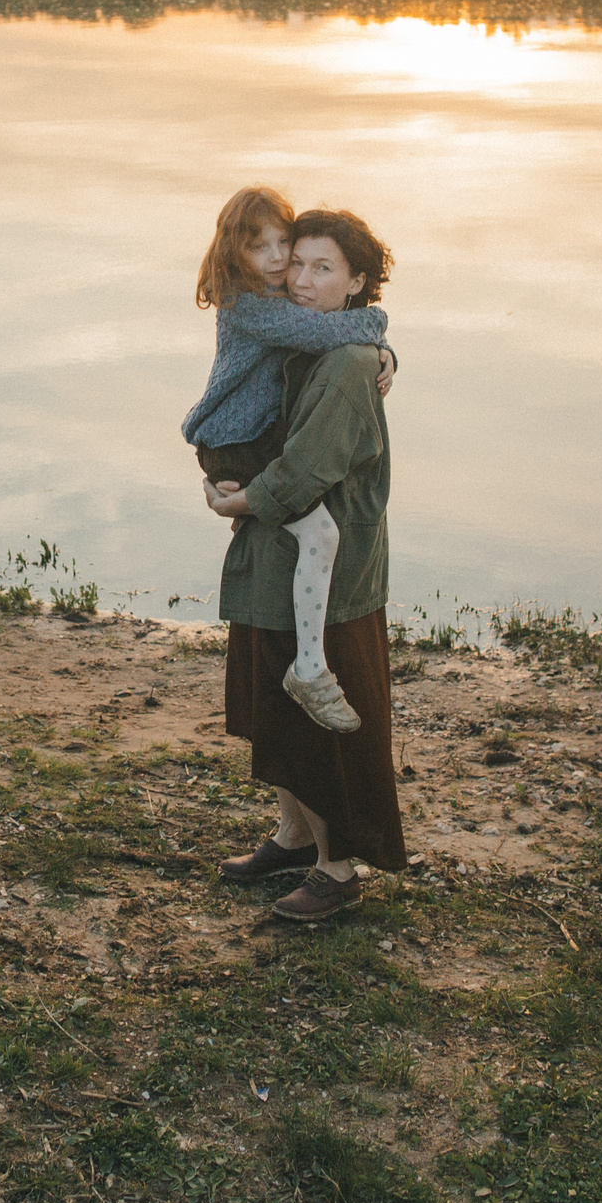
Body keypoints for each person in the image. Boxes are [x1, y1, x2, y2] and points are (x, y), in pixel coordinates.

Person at [205, 208, 409, 922]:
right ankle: (294, 836)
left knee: (315, 727)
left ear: (356, 283)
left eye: (323, 267)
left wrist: (235, 501)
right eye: (297, 261)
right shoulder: (300, 337)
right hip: (279, 555)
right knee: (273, 705)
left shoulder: (350, 363)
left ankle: (337, 867)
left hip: (329, 574)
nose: (300, 277)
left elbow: (305, 471)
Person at [182, 185, 395, 733]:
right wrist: (378, 329)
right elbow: (318, 331)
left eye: (286, 245)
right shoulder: (247, 303)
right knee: (320, 534)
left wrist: (384, 352)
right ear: (234, 252)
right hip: (237, 441)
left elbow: (321, 335)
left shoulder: (274, 295)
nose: (280, 261)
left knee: (312, 534)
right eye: (262, 248)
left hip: (252, 436)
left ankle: (308, 665)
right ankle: (310, 667)